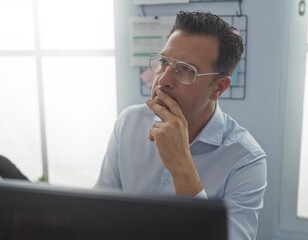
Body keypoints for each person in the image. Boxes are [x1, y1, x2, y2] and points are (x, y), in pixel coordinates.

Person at [95, 11, 267, 240]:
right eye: (164, 62)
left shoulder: (246, 160)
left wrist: (181, 166)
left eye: (186, 70)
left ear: (219, 88)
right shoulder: (128, 124)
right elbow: (98, 216)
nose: (163, 80)